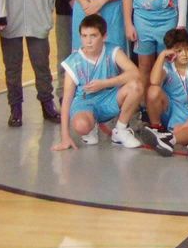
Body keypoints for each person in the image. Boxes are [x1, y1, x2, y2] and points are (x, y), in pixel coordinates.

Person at [51, 14, 144, 152]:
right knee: (81, 125)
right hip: (85, 103)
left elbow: (135, 73)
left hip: (109, 99)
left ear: (104, 36)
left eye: (93, 36)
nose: (88, 41)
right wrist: (65, 137)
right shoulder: (73, 61)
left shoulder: (113, 51)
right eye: (84, 36)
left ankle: (120, 130)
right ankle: (90, 126)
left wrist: (105, 83)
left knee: (136, 86)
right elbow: (66, 100)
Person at [141, 28, 188, 157]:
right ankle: (157, 129)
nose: (184, 54)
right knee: (153, 91)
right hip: (173, 111)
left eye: (187, 49)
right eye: (178, 51)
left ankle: (172, 138)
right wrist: (162, 55)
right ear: (171, 51)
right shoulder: (167, 67)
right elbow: (154, 81)